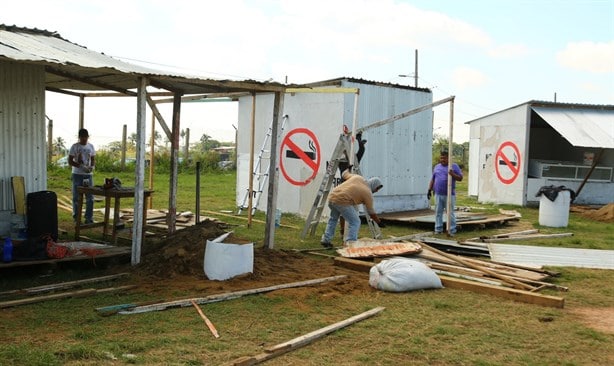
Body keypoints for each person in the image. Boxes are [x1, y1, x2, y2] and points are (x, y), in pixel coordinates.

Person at [321, 168, 384, 248]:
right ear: (374, 185)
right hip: (342, 201)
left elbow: (344, 174)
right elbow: (371, 212)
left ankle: (326, 240)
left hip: (332, 197)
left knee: (333, 219)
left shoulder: (358, 177)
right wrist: (379, 222)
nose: (377, 191)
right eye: (377, 188)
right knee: (355, 222)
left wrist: (348, 168)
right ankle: (350, 243)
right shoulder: (368, 193)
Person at [428, 149, 463, 235]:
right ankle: (438, 229)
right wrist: (429, 189)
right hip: (438, 194)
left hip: (449, 194)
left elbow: (460, 178)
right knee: (438, 212)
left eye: (444, 158)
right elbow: (433, 179)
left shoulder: (454, 166)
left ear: (449, 158)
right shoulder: (437, 167)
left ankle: (452, 230)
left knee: (450, 213)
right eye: (441, 158)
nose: (442, 160)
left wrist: (452, 174)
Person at [69, 128, 96, 224]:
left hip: (88, 175)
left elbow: (93, 158)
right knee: (76, 197)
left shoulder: (91, 146)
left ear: (88, 137)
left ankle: (89, 218)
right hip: (77, 174)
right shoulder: (74, 147)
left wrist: (92, 166)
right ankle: (77, 218)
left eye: (86, 137)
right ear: (79, 137)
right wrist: (80, 166)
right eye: (82, 137)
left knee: (90, 197)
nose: (84, 139)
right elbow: (70, 161)